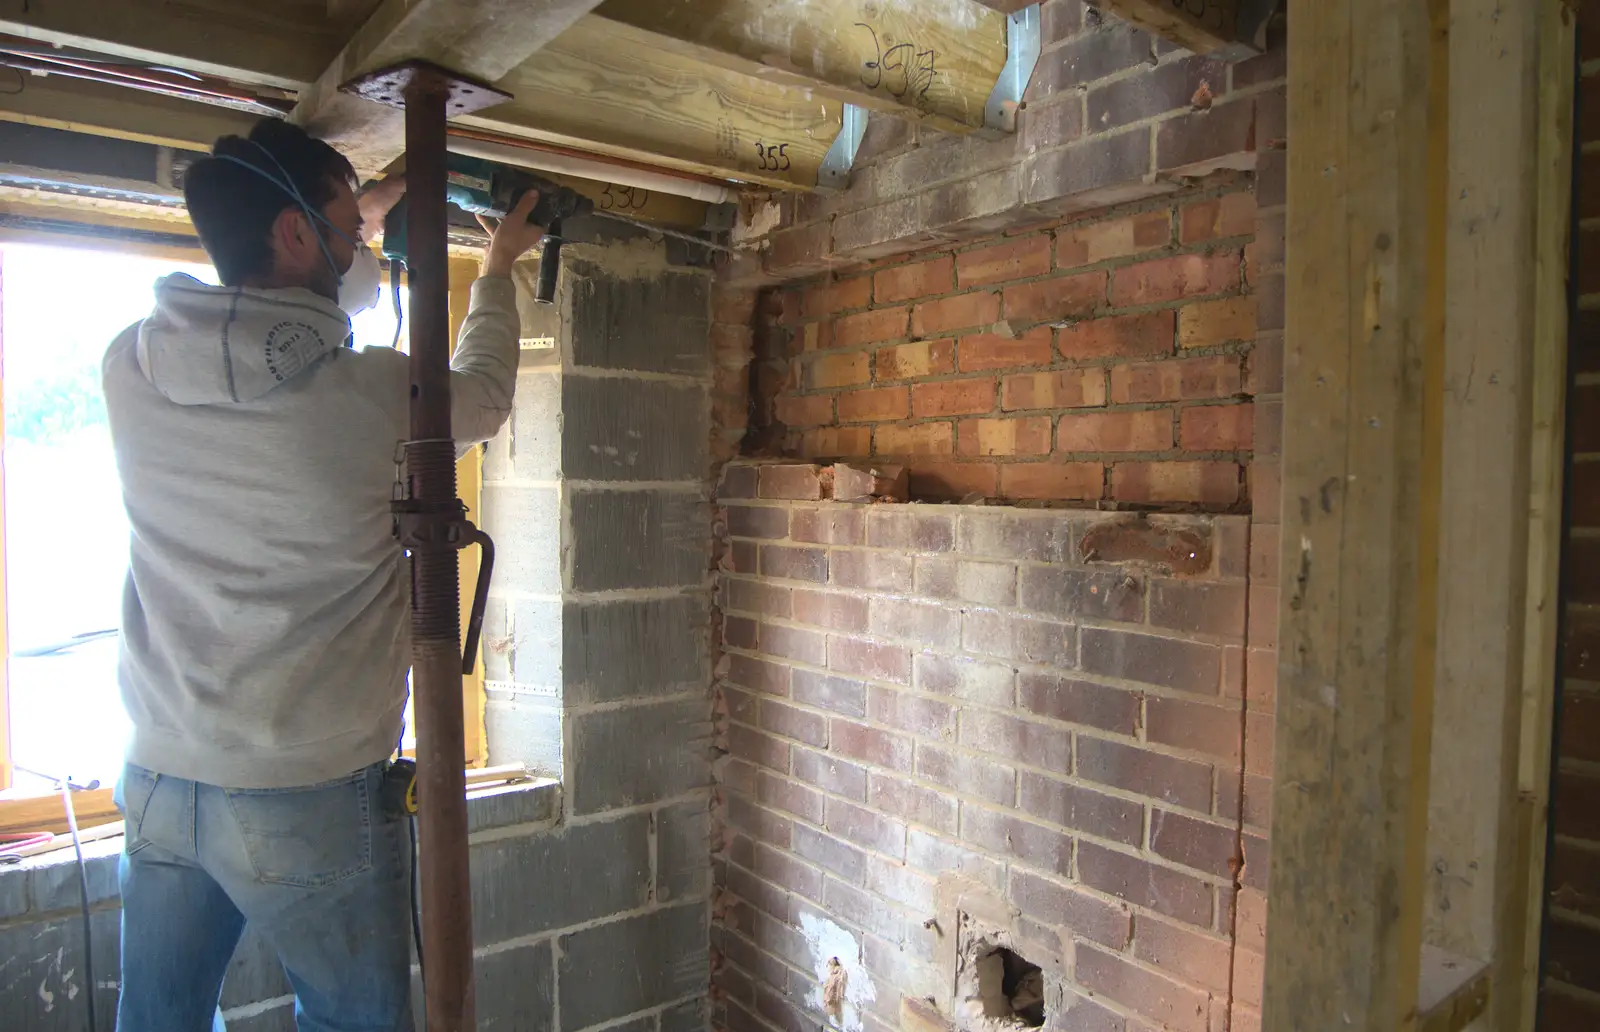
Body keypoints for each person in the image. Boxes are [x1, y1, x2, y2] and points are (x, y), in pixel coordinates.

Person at [101, 118, 544, 1032]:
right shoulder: (374, 393)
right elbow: (486, 396)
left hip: (160, 777)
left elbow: (264, 332)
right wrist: (499, 267)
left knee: (157, 1020)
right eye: (348, 224)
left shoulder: (130, 366)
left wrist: (360, 205)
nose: (362, 243)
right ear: (297, 232)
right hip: (305, 791)